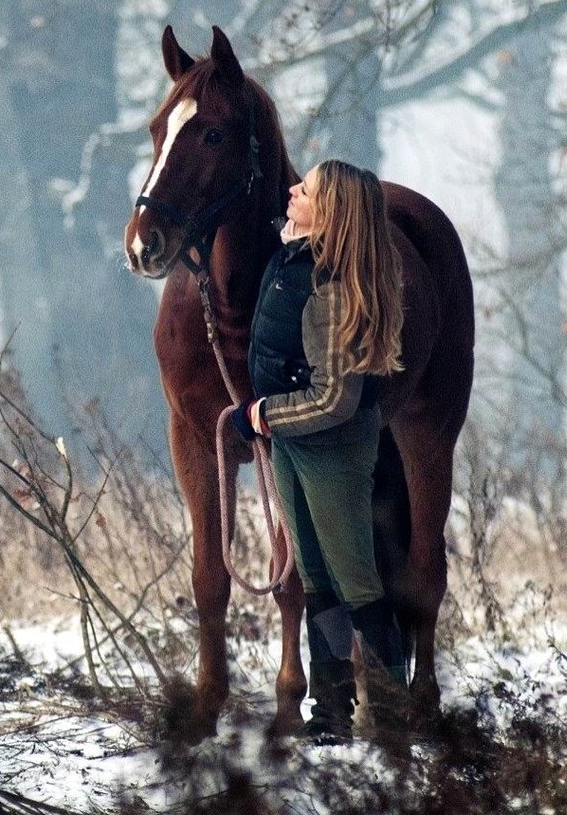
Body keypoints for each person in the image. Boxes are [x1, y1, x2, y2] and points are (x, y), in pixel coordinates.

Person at [230, 159, 408, 749]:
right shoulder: (295, 261)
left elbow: (334, 398)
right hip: (293, 443)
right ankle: (331, 712)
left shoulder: (330, 288)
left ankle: (392, 719)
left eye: (303, 190)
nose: (291, 190)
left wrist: (261, 415)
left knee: (355, 581)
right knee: (316, 580)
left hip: (329, 445)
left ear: (328, 212)